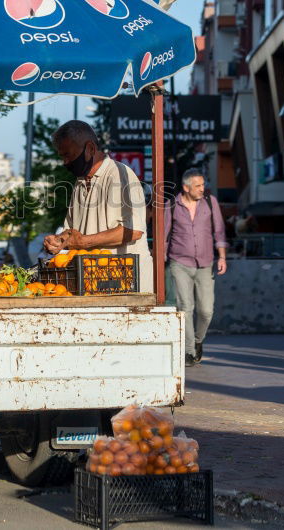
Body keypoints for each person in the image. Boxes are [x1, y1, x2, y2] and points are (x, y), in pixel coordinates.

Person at [43, 121, 152, 288]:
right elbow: (72, 231)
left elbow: (134, 231)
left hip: (128, 284)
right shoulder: (79, 182)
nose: (65, 162)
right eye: (62, 157)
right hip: (96, 282)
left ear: (90, 149)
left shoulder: (120, 174)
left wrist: (84, 242)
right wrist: (59, 241)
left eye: (68, 155)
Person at [164, 169, 228, 367]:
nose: (202, 189)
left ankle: (198, 341)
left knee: (206, 310)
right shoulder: (172, 205)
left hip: (205, 263)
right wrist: (160, 262)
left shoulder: (210, 202)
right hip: (179, 263)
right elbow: (164, 235)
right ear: (186, 187)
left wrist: (222, 257)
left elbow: (219, 231)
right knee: (185, 307)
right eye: (198, 186)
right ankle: (189, 351)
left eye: (203, 185)